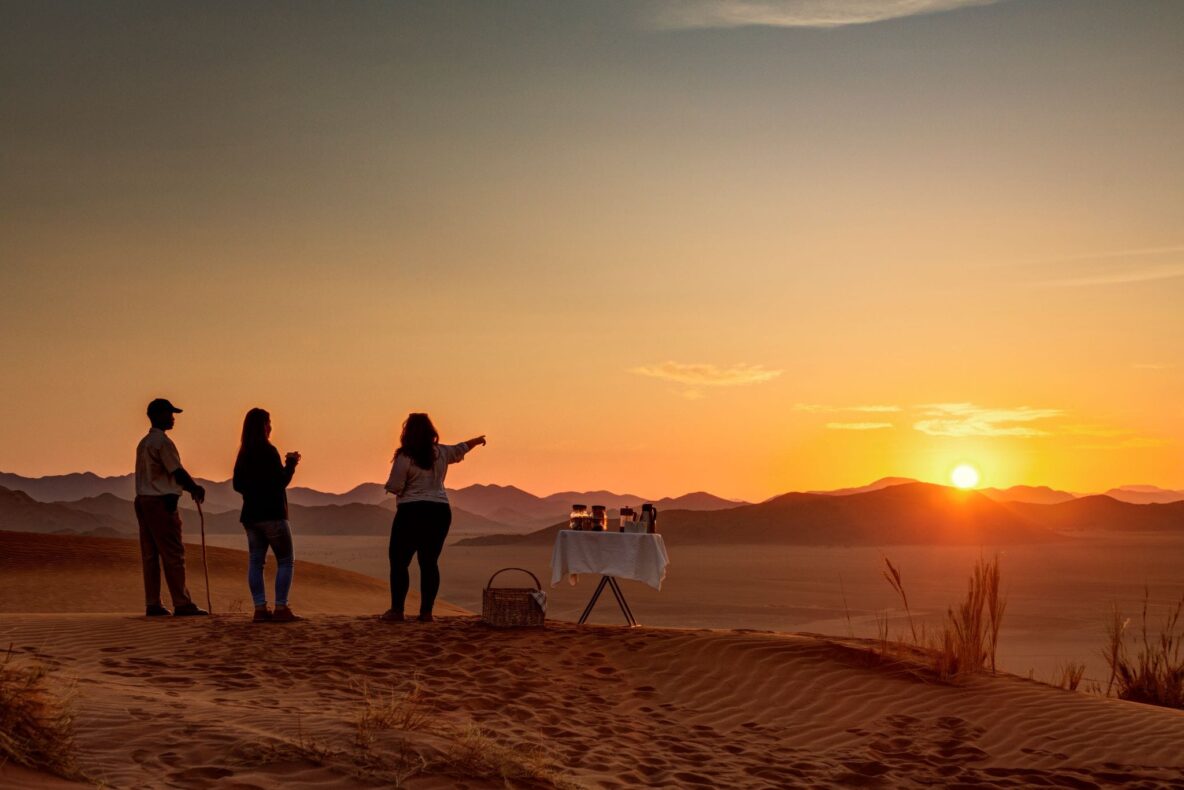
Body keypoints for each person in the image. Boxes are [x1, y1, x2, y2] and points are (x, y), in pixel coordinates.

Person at [381, 413, 485, 622]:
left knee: (399, 562)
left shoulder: (405, 456)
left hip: (411, 512)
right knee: (429, 562)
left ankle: (397, 611)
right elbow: (461, 448)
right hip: (439, 511)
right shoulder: (442, 452)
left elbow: (395, 486)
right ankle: (426, 613)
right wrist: (476, 441)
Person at [134, 398, 208, 617]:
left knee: (150, 555)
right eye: (169, 413)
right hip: (161, 502)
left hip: (143, 501)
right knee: (173, 553)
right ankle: (182, 603)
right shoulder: (162, 443)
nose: (173, 418)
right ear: (158, 415)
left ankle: (153, 603)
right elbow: (176, 470)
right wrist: (194, 488)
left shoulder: (143, 443)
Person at [232, 408, 301, 623]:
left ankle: (260, 609)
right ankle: (281, 607)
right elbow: (280, 482)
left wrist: (252, 492)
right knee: (286, 560)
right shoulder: (269, 451)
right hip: (273, 514)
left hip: (251, 516)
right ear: (263, 426)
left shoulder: (244, 453)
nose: (271, 427)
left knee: (256, 562)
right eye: (268, 422)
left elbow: (237, 484)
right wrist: (290, 465)